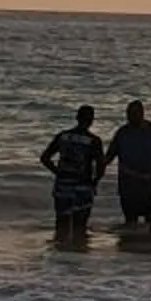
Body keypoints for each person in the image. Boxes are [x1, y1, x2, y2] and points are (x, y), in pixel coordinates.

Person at [39, 106, 105, 248]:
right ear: (91, 121)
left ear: (77, 118)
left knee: (61, 224)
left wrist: (58, 172)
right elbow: (101, 166)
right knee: (80, 226)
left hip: (62, 186)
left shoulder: (63, 136)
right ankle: (78, 254)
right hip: (82, 187)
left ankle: (61, 253)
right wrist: (95, 182)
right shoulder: (93, 140)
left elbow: (45, 158)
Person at [106, 100, 151, 233]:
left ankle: (147, 251)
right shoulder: (122, 133)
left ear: (142, 113)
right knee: (130, 224)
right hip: (128, 187)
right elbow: (109, 156)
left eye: (133, 114)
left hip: (150, 186)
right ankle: (131, 250)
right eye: (128, 114)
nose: (129, 117)